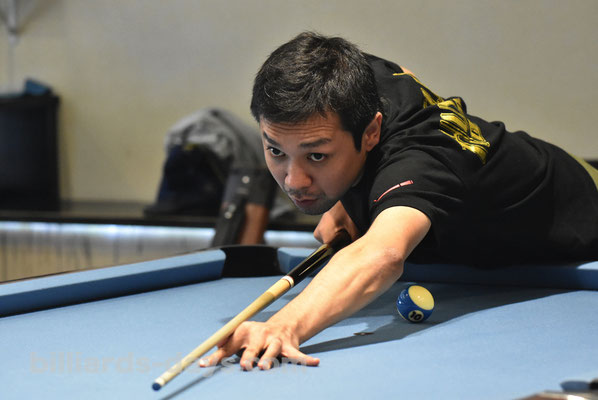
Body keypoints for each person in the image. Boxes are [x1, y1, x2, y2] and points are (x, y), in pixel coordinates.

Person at [199, 31, 598, 371]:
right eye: (276, 150)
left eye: (316, 156)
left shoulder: (421, 164)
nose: (293, 180)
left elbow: (384, 254)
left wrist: (284, 325)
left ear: (371, 132)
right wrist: (345, 197)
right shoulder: (353, 81)